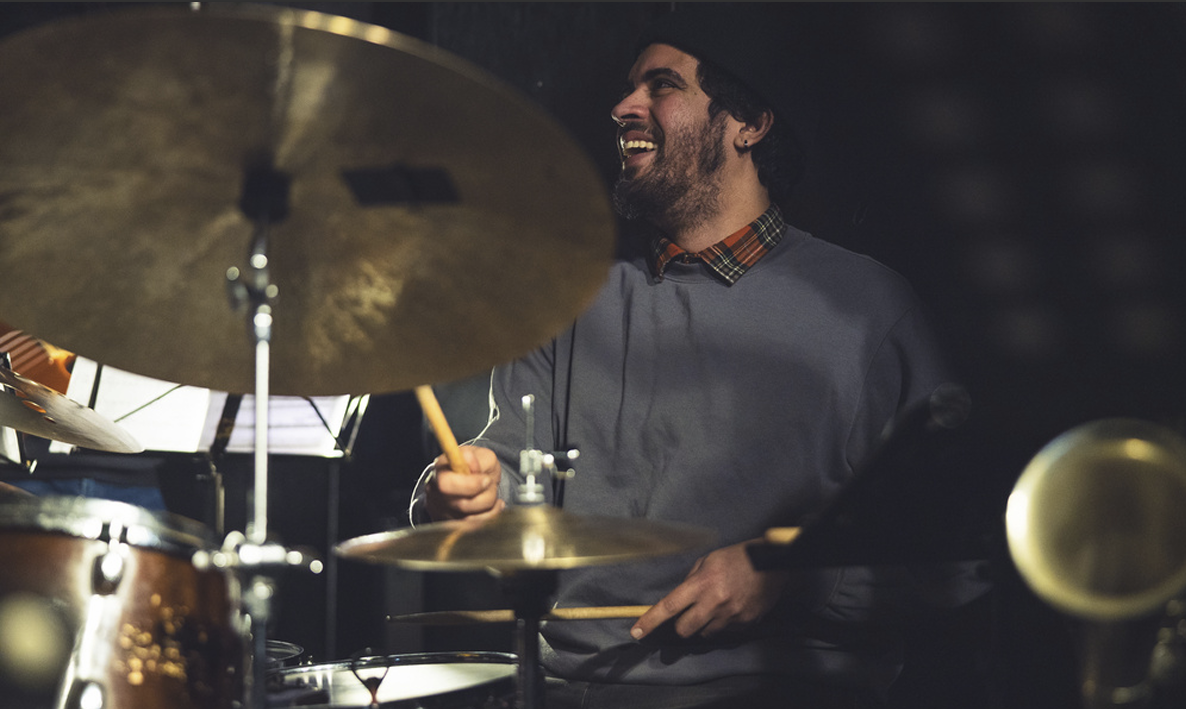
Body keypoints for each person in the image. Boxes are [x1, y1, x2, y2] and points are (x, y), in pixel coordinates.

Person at [413, 6, 989, 708]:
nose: (625, 106)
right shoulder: (567, 298)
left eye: (662, 86)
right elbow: (505, 483)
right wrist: (466, 493)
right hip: (573, 693)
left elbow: (956, 558)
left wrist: (791, 573)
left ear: (748, 123)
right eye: (630, 87)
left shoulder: (867, 309)